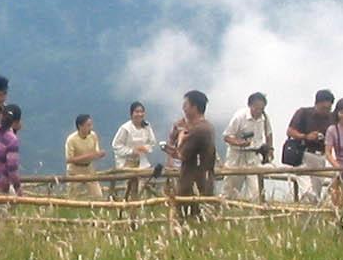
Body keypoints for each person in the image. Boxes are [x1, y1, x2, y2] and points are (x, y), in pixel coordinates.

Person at [167, 90, 217, 219]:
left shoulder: (199, 130)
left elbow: (182, 154)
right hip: (203, 178)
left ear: (194, 107)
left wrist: (181, 138)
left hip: (193, 179)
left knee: (189, 216)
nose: (183, 108)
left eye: (186, 105)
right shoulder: (206, 127)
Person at [285, 88, 336, 200]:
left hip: (321, 157)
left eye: (329, 108)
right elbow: (290, 131)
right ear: (316, 104)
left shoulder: (331, 118)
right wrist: (306, 136)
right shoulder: (303, 113)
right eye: (323, 108)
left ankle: (309, 213)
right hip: (304, 154)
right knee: (307, 188)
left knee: (316, 190)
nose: (326, 111)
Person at [221, 92, 271, 202]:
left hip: (253, 156)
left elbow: (269, 133)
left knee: (257, 190)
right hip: (237, 156)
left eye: (261, 109)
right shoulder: (240, 117)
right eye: (256, 108)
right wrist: (239, 142)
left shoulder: (264, 118)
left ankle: (257, 213)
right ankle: (225, 211)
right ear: (250, 105)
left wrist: (269, 150)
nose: (258, 111)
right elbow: (226, 136)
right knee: (231, 189)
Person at [113, 102, 161, 201]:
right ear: (131, 113)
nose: (139, 114)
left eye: (141, 112)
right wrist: (131, 151)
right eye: (137, 112)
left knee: (143, 185)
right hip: (128, 162)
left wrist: (145, 148)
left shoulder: (147, 126)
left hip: (142, 160)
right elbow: (116, 145)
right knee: (130, 186)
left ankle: (140, 206)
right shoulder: (125, 128)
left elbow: (152, 142)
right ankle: (129, 206)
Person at [64, 113, 103, 193]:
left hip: (89, 169)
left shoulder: (93, 135)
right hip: (75, 170)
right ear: (80, 126)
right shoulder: (71, 140)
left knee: (97, 194)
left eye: (91, 125)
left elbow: (96, 152)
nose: (91, 128)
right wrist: (89, 156)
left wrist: (99, 155)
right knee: (73, 195)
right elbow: (69, 160)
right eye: (88, 125)